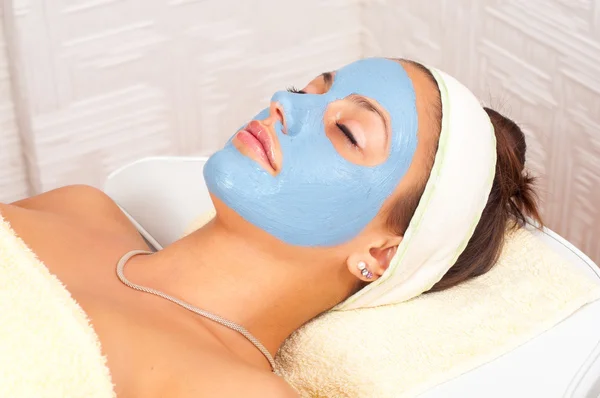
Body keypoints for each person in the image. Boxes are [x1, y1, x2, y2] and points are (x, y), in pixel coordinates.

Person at [0, 58, 541, 397]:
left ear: (382, 255)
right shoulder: (78, 208)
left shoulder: (234, 391)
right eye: (308, 90)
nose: (285, 103)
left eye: (349, 132)